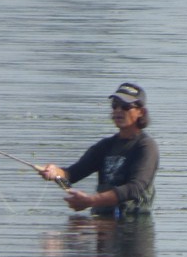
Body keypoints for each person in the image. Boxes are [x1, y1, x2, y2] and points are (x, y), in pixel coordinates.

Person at [39, 82, 159, 217]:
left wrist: (90, 201)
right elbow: (72, 174)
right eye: (115, 105)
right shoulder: (105, 146)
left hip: (134, 224)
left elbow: (135, 188)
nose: (118, 110)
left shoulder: (146, 147)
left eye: (125, 106)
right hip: (103, 222)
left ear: (140, 112)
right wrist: (55, 172)